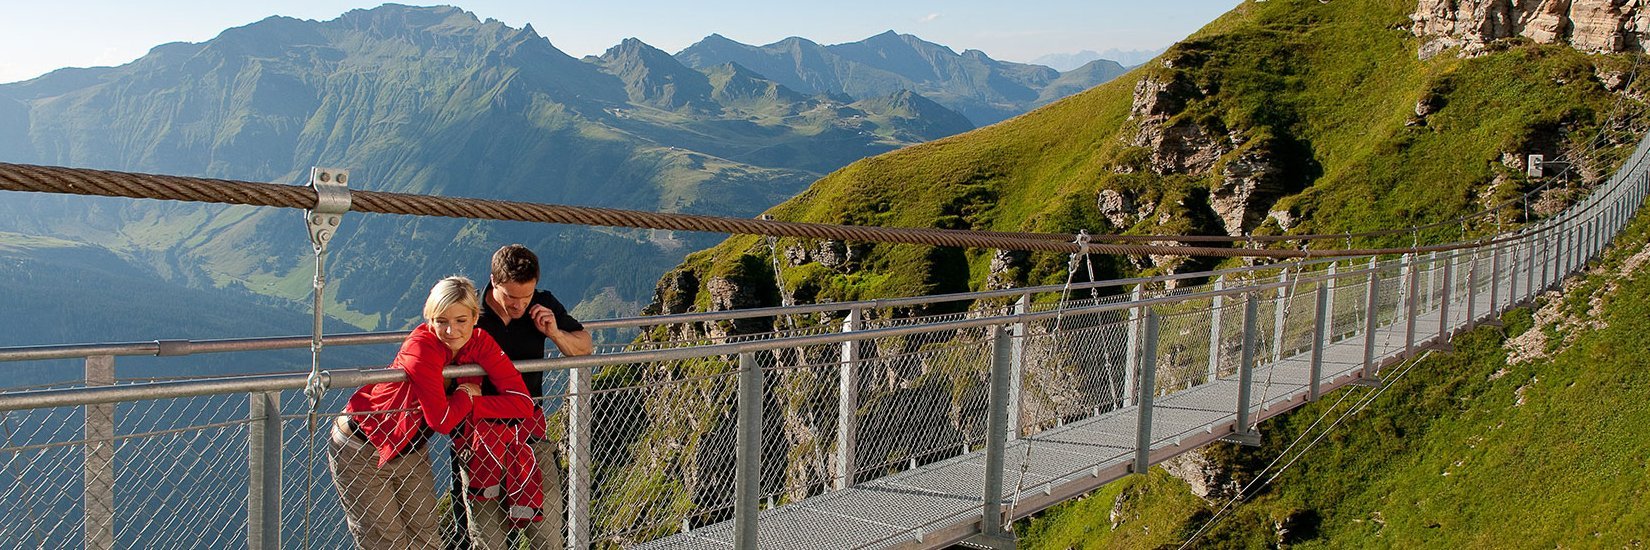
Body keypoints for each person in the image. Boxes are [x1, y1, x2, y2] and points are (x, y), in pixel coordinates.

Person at [329, 276, 535, 549]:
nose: (451, 331)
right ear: (430, 319)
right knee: (387, 542)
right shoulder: (422, 347)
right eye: (441, 321)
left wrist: (473, 403)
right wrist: (465, 394)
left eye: (460, 320)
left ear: (475, 318)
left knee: (427, 539)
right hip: (363, 447)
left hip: (410, 446)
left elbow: (522, 404)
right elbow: (440, 420)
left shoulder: (480, 341)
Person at [451, 244, 593, 550]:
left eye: (525, 297)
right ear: (493, 280)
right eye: (511, 297)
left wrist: (554, 332)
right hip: (478, 440)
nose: (518, 306)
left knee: (548, 537)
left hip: (528, 436)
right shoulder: (469, 311)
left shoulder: (541, 305)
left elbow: (584, 347)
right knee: (488, 541)